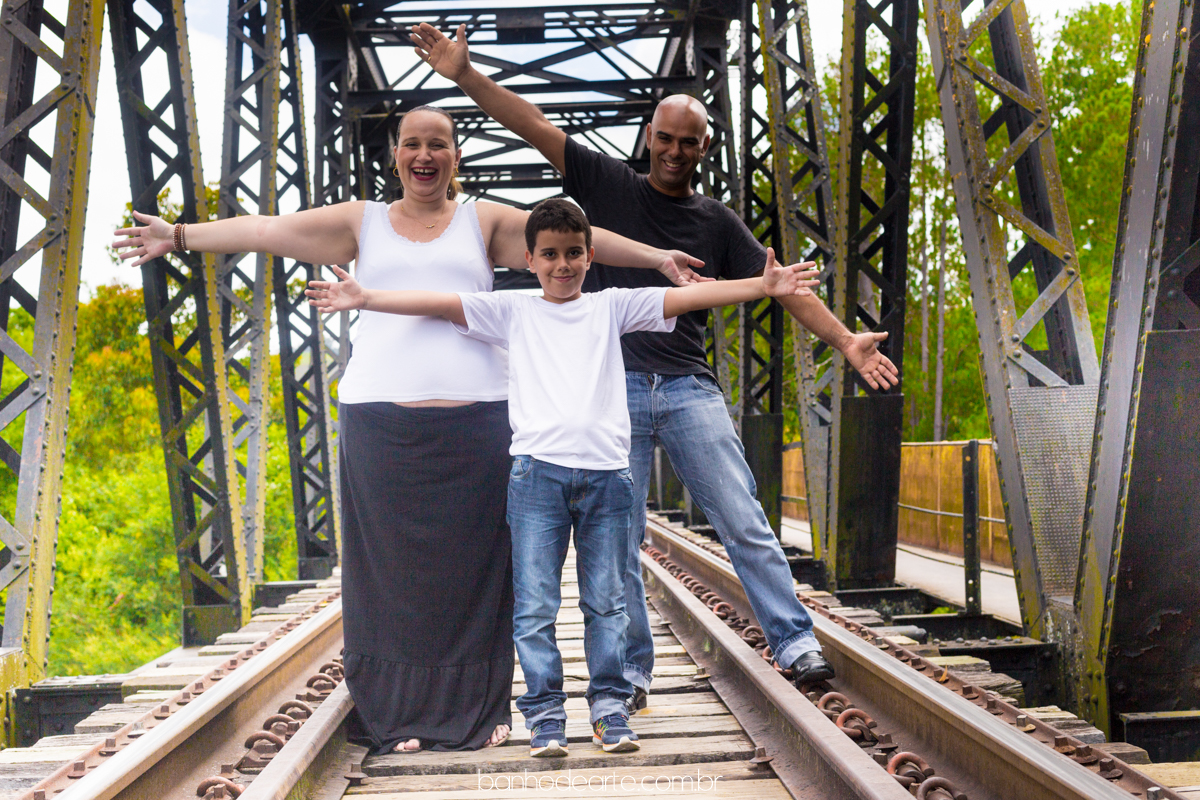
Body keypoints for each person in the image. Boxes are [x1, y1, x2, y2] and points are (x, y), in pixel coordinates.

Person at [111, 106, 710, 754]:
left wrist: (658, 259)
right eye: (412, 145)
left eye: (439, 145)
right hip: (380, 417)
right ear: (396, 153)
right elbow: (266, 229)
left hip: (479, 420)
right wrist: (177, 236)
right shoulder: (359, 221)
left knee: (479, 573)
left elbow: (577, 237)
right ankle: (399, 714)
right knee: (389, 574)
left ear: (456, 155)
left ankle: (478, 712)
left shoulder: (481, 222)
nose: (425, 156)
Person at [409, 25, 902, 709]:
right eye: (665, 139)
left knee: (743, 519)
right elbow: (532, 125)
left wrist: (846, 341)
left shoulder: (717, 221)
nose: (674, 151)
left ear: (705, 148)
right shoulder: (607, 184)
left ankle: (794, 643)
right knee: (623, 544)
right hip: (613, 394)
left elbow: (779, 283)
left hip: (687, 388)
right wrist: (465, 75)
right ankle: (634, 674)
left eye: (689, 142)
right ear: (649, 138)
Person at [306, 198, 821, 757]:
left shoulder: (612, 307)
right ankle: (545, 716)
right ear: (529, 259)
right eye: (549, 254)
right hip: (536, 479)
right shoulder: (514, 310)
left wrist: (760, 287)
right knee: (534, 606)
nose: (562, 265)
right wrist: (368, 298)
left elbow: (689, 294)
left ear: (591, 257)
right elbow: (439, 301)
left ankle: (609, 709)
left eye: (574, 253)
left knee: (607, 603)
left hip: (607, 479)